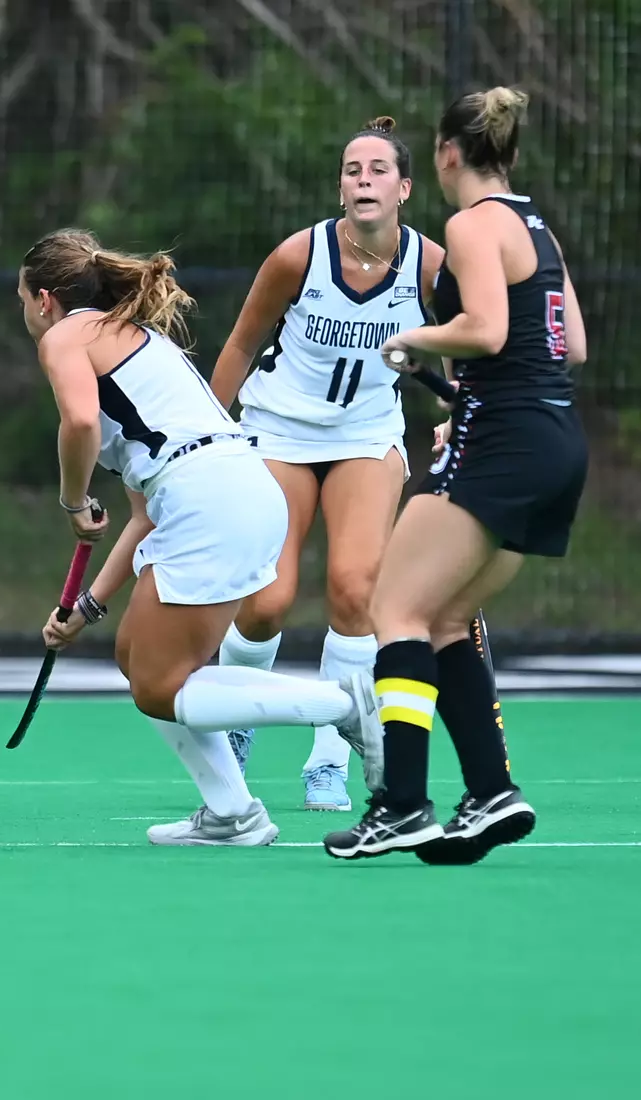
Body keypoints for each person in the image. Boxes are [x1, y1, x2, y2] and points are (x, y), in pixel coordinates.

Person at [20, 228, 380, 847]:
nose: (26, 313)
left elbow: (78, 423)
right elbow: (143, 517)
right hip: (232, 491)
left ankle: (342, 704)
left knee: (159, 685)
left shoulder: (66, 336)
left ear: (45, 299)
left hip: (210, 498)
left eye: (23, 299)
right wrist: (87, 607)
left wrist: (72, 500)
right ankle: (233, 813)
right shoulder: (131, 340)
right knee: (136, 659)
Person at [325, 88, 585, 863]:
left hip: (502, 443)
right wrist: (472, 394)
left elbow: (487, 329)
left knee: (393, 608)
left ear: (444, 154)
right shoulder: (534, 225)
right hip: (554, 443)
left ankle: (402, 804)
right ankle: (490, 792)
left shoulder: (471, 224)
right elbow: (567, 345)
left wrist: (413, 339)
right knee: (443, 619)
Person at [208, 117, 444, 812]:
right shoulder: (297, 255)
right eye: (351, 170)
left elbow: (472, 338)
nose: (363, 180)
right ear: (341, 188)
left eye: (377, 170)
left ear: (403, 189)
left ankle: (328, 761)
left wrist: (460, 410)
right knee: (266, 601)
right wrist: (205, 438)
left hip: (366, 435)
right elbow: (240, 345)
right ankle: (237, 724)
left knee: (354, 588)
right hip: (277, 430)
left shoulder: (431, 265)